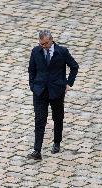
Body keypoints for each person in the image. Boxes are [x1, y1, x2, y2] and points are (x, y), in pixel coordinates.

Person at [28, 30, 79, 160]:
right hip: (40, 91)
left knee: (58, 118)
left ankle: (57, 142)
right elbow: (31, 70)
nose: (43, 46)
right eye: (41, 44)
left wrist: (68, 83)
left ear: (51, 40)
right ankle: (37, 150)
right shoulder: (35, 51)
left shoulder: (62, 52)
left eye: (45, 44)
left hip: (57, 91)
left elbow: (74, 66)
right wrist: (33, 86)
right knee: (39, 120)